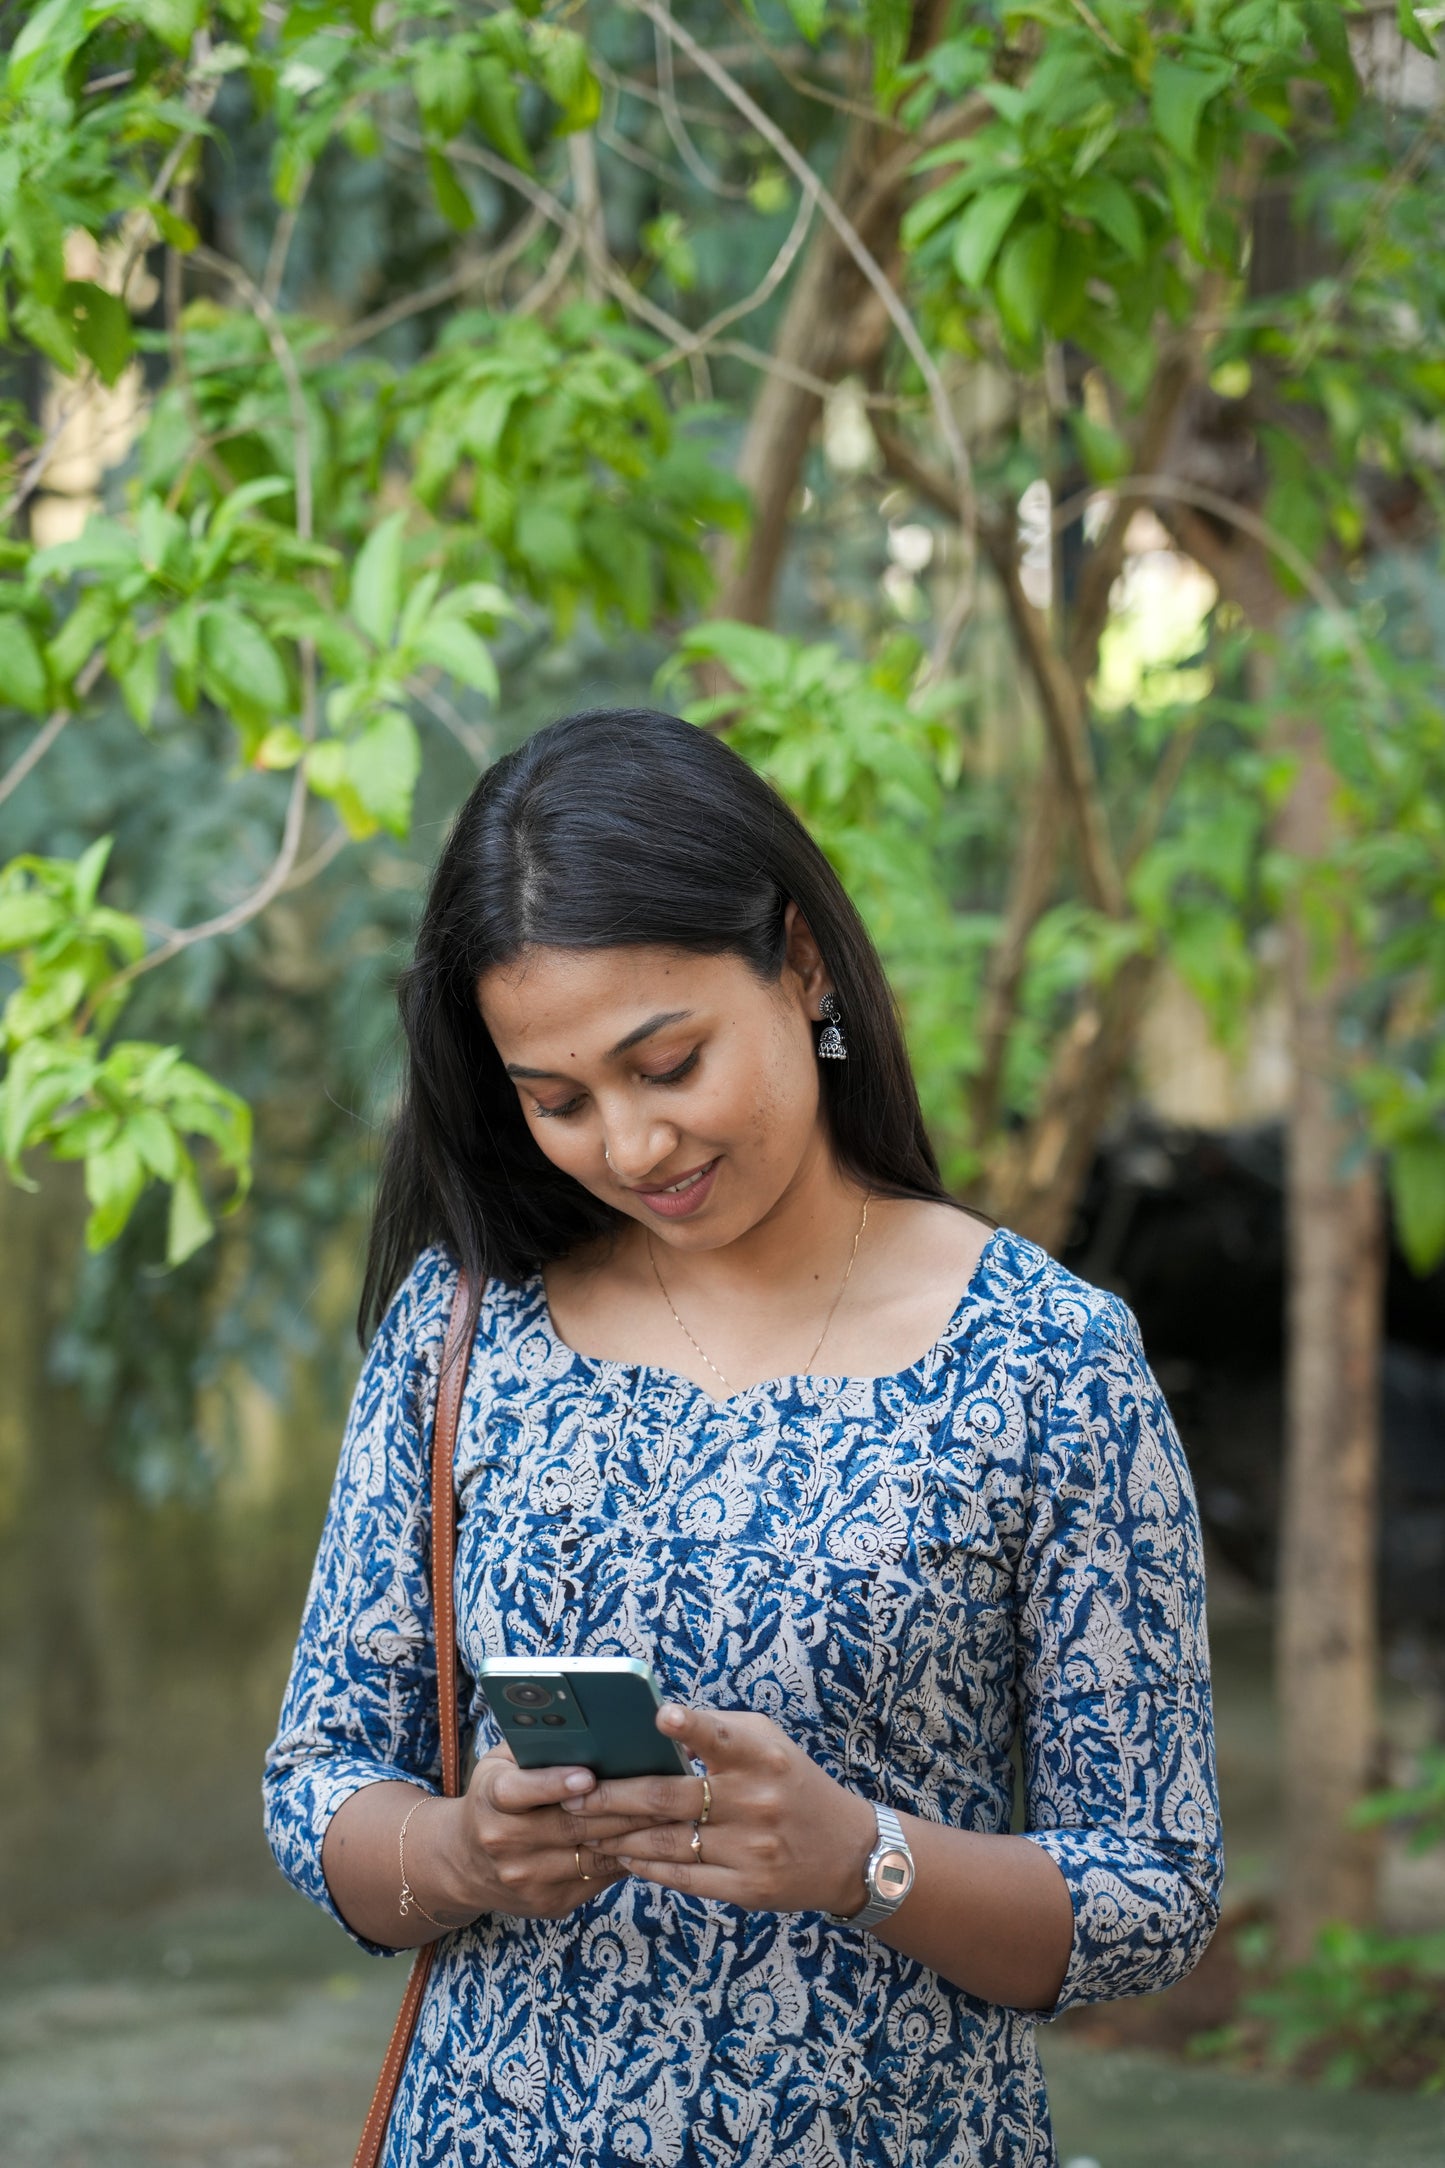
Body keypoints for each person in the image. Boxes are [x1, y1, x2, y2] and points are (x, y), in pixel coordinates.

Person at [264, 706, 1222, 2168]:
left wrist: (864, 1861)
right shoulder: (466, 1328)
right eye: (557, 1101)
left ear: (801, 961)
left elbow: (1153, 1888)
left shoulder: (1045, 1361)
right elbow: (320, 1777)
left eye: (668, 1065)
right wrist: (460, 1851)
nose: (630, 1146)